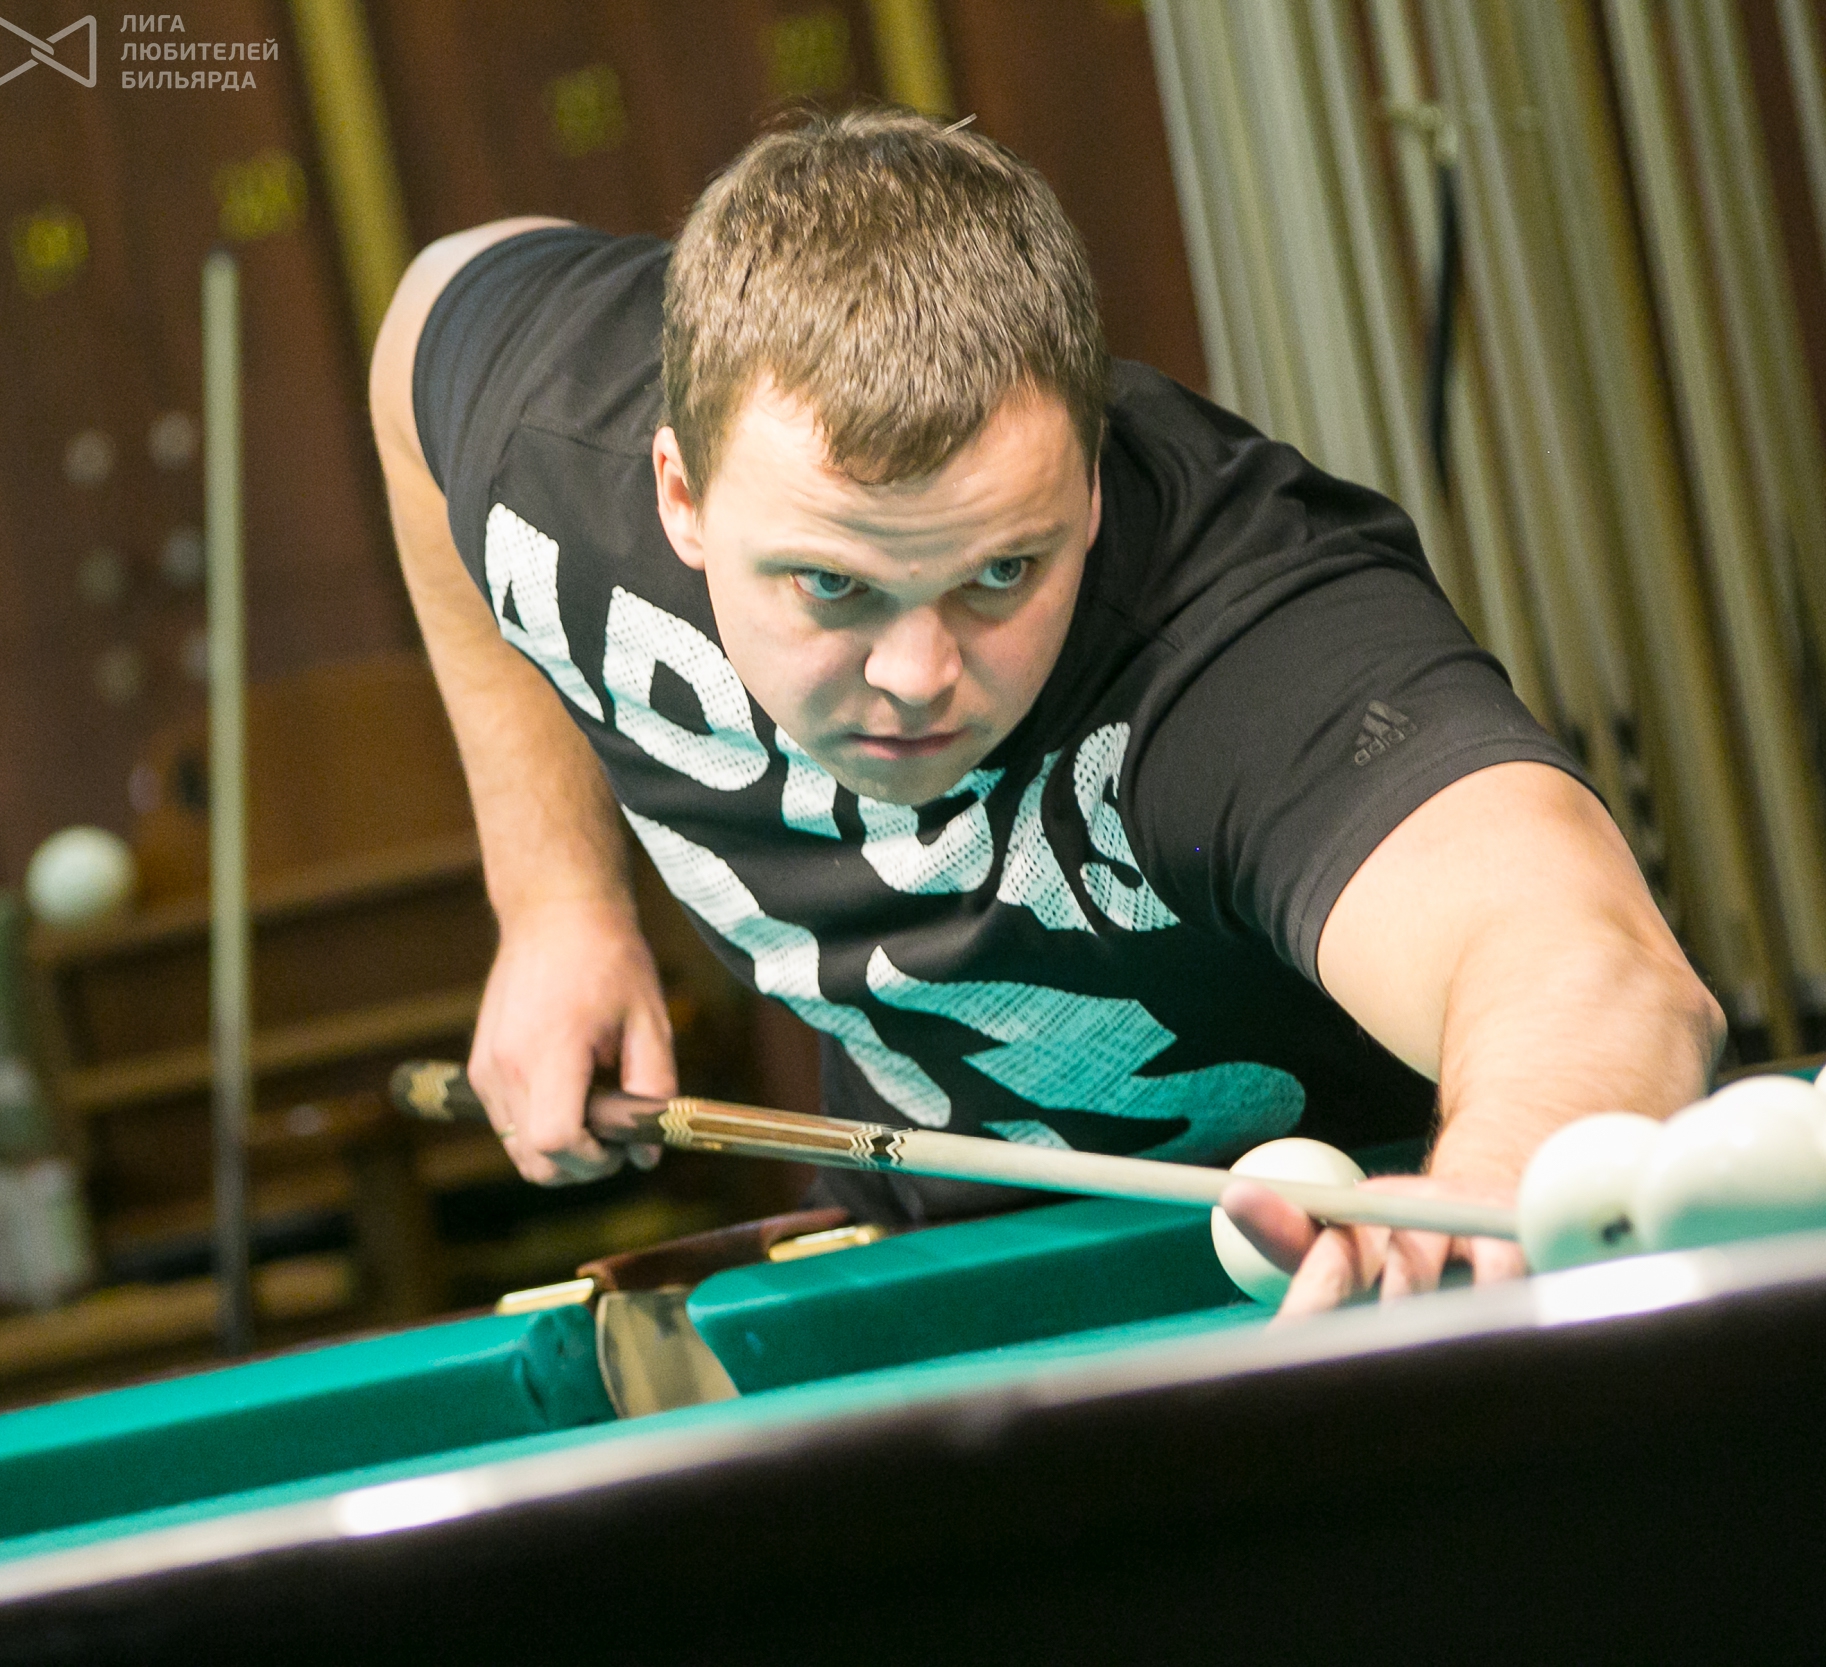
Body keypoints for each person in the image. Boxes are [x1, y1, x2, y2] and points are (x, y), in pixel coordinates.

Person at [368, 107, 1720, 1317]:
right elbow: (419, 330)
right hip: (936, 1270)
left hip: (1355, 1274)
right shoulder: (558, 434)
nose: (916, 673)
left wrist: (1482, 1201)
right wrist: (555, 903)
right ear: (679, 495)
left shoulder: (1237, 635)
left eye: (1001, 573)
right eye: (832, 584)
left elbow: (1590, 970)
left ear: (1088, 485)